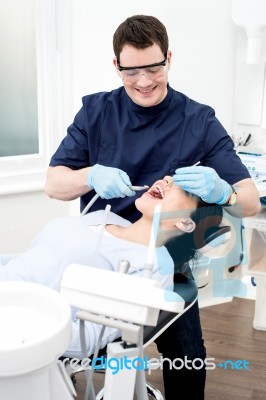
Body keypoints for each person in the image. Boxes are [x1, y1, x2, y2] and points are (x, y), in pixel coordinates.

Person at [44, 15, 261, 399]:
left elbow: (247, 201)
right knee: (77, 342)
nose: (144, 81)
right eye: (132, 72)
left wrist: (223, 191)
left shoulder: (199, 121)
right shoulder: (95, 113)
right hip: (103, 249)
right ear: (116, 66)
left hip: (164, 259)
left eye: (154, 68)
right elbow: (54, 183)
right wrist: (90, 174)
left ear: (169, 59)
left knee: (188, 354)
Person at [0, 178, 222, 358]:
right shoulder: (103, 216)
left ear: (184, 222)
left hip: (17, 322)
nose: (166, 180)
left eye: (182, 189)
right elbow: (33, 260)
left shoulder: (152, 267)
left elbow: (90, 339)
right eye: (169, 178)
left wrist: (25, 329)